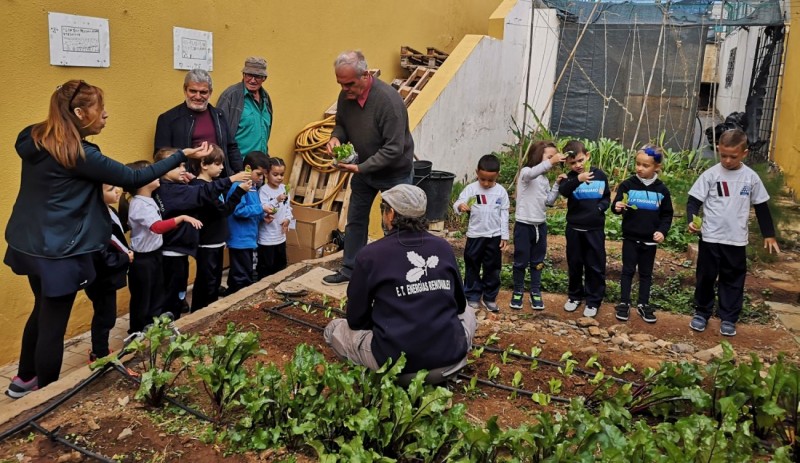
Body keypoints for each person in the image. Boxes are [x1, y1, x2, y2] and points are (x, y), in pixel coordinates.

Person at [4, 80, 211, 398]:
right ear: (79, 113)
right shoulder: (79, 154)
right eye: (100, 110)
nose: (105, 115)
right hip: (60, 251)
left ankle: (24, 379)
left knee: (41, 309)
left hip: (29, 242)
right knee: (53, 325)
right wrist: (181, 154)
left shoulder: (34, 137)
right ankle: (45, 396)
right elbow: (134, 177)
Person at [323, 184, 476, 382]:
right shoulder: (443, 247)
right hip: (450, 362)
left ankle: (375, 379)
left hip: (398, 368)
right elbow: (459, 305)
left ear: (391, 214)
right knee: (469, 312)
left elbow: (356, 319)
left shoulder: (370, 255)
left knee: (334, 329)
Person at [322, 50, 415, 286]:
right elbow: (341, 125)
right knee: (355, 220)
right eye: (340, 83)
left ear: (365, 75)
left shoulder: (388, 102)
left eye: (349, 84)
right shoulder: (346, 96)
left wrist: (361, 168)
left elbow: (394, 149)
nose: (344, 89)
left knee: (396, 226)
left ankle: (397, 276)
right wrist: (336, 138)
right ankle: (350, 270)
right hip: (364, 171)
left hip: (395, 173)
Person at [687, 129, 780, 336]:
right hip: (710, 237)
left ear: (744, 153)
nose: (727, 161)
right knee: (706, 276)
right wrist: (691, 220)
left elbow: (762, 206)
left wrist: (769, 234)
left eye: (733, 156)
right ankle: (701, 312)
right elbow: (694, 201)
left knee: (733, 279)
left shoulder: (751, 178)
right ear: (718, 150)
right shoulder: (711, 175)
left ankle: (728, 317)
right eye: (723, 155)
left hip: (736, 240)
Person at [152, 148, 248, 318]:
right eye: (177, 166)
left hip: (180, 250)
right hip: (177, 250)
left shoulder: (176, 187)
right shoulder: (172, 190)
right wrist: (233, 181)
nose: (183, 169)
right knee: (177, 296)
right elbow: (205, 194)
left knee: (181, 294)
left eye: (183, 165)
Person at [120, 161, 203, 334]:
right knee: (144, 299)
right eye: (151, 173)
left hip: (155, 255)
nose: (157, 174)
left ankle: (153, 330)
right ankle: (138, 333)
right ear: (141, 181)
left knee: (157, 295)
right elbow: (157, 227)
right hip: (143, 260)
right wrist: (182, 218)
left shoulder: (149, 198)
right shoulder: (139, 204)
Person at [611, 145, 673, 323]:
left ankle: (643, 304)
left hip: (650, 241)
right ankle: (624, 303)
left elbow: (667, 215)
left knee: (646, 273)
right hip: (630, 237)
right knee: (627, 271)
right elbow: (616, 206)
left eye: (645, 165)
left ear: (657, 167)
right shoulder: (627, 185)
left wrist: (662, 231)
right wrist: (617, 207)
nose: (640, 168)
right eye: (638, 164)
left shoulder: (662, 190)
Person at [188, 147, 250, 312]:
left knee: (213, 282)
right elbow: (223, 210)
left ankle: (209, 312)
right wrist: (239, 191)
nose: (222, 167)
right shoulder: (201, 187)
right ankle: (201, 314)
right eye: (217, 163)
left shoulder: (211, 185)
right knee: (207, 284)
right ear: (203, 164)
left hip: (216, 241)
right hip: (207, 243)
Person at [154, 69, 243, 176]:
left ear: (210, 92)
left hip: (220, 181)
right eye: (193, 91)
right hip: (186, 182)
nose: (197, 96)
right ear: (185, 90)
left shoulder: (219, 115)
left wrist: (240, 172)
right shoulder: (168, 119)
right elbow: (161, 157)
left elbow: (231, 147)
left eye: (203, 92)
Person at [557, 140, 610, 318]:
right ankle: (574, 296)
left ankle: (593, 300)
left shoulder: (599, 175)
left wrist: (600, 208)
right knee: (575, 264)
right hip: (574, 229)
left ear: (587, 156)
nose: (578, 165)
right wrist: (578, 180)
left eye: (580, 160)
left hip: (594, 229)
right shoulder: (569, 178)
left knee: (595, 265)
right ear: (567, 163)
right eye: (573, 163)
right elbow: (564, 191)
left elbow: (606, 197)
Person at [510, 141, 566, 310]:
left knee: (538, 262)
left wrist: (557, 185)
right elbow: (531, 174)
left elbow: (549, 201)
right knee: (520, 261)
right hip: (523, 225)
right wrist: (551, 161)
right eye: (549, 156)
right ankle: (518, 291)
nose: (553, 160)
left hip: (540, 226)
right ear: (537, 155)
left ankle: (535, 291)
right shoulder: (526, 173)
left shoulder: (544, 179)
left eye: (553, 157)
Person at [453, 154, 510, 313]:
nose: (485, 183)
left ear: (497, 175)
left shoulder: (501, 192)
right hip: (475, 235)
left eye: (490, 180)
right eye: (482, 179)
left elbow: (504, 214)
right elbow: (458, 203)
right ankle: (472, 295)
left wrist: (504, 236)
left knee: (493, 267)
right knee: (472, 265)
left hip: (494, 236)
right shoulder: (471, 189)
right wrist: (460, 206)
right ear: (477, 172)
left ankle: (490, 297)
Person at [85, 184, 132, 361]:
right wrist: (125, 258)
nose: (117, 191)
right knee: (105, 316)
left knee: (105, 314)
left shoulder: (109, 210)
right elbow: (100, 254)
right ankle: (99, 353)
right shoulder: (95, 218)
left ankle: (100, 349)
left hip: (108, 274)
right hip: (101, 276)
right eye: (110, 189)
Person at [226, 151, 272, 293]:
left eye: (263, 175)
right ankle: (237, 298)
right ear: (247, 168)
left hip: (248, 238)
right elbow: (238, 210)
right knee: (242, 276)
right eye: (258, 174)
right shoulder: (239, 186)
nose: (261, 178)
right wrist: (261, 208)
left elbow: (252, 209)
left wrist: (262, 216)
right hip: (240, 239)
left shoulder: (253, 187)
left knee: (242, 271)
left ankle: (232, 293)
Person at [217, 56, 274, 157]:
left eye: (257, 76)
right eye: (249, 75)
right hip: (238, 162)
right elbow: (219, 132)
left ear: (264, 78)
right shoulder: (230, 96)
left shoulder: (265, 97)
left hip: (261, 163)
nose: (253, 80)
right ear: (243, 75)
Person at [257, 157, 293, 279]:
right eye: (275, 174)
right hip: (266, 238)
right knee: (266, 269)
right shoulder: (263, 191)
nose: (279, 178)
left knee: (281, 267)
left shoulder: (284, 188)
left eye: (282, 174)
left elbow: (288, 207)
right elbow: (264, 209)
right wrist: (276, 200)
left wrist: (288, 219)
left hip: (280, 237)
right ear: (266, 174)